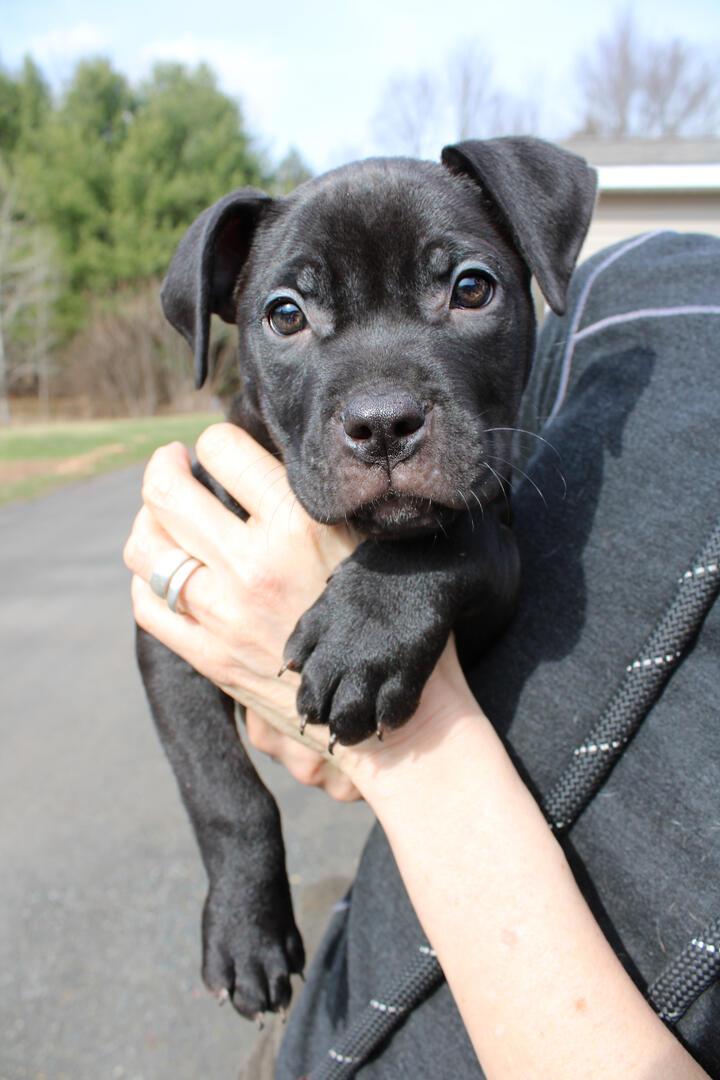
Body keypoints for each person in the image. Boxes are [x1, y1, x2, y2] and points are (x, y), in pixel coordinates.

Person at [124, 230, 720, 1078]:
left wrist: (413, 602)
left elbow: (496, 564)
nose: (380, 404)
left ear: (532, 273)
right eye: (289, 316)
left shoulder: (480, 515)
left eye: (466, 293)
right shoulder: (240, 478)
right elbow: (169, 645)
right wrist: (240, 855)